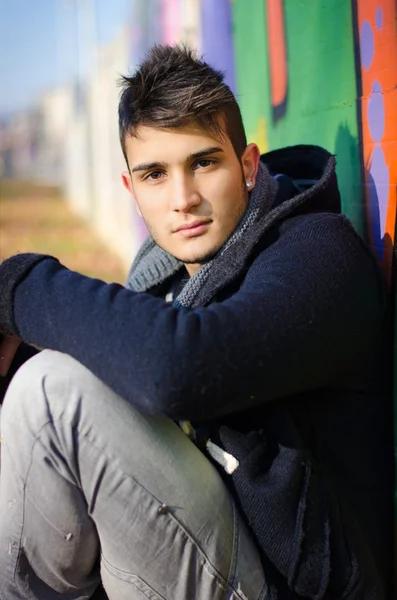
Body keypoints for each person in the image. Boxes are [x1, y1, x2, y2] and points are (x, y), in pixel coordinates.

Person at [0, 45, 393, 600]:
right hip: (216, 547)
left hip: (290, 587)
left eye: (204, 162)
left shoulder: (317, 255)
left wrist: (15, 286)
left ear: (248, 165)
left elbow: (180, 366)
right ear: (131, 191)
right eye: (155, 175)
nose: (183, 199)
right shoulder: (161, 277)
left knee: (51, 394)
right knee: (40, 380)